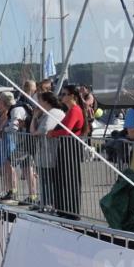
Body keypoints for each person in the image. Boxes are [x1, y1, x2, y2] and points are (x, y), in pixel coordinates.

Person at [48, 84, 87, 219]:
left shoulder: (75, 110)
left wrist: (52, 133)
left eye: (64, 94)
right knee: (63, 178)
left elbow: (66, 130)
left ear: (72, 96)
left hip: (71, 147)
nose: (61, 96)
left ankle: (72, 211)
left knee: (70, 178)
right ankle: (64, 209)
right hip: (66, 146)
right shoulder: (70, 110)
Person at [33, 91, 67, 212]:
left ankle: (49, 204)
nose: (38, 103)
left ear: (46, 101)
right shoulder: (45, 113)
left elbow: (44, 129)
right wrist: (35, 117)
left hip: (50, 152)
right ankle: (45, 203)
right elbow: (32, 131)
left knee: (48, 180)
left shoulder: (54, 113)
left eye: (40, 100)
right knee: (44, 179)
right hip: (44, 151)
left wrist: (36, 132)